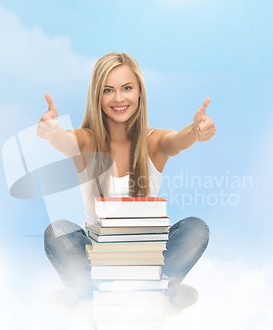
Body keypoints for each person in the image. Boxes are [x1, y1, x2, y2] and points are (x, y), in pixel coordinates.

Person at [37, 52, 216, 309]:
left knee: (196, 228)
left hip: (150, 258)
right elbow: (65, 141)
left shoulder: (153, 141)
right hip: (97, 258)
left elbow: (177, 141)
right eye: (108, 90)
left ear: (140, 92)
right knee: (57, 232)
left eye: (127, 88)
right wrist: (52, 131)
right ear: (97, 96)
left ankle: (162, 288)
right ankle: (89, 290)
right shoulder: (87, 142)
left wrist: (196, 131)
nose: (119, 98)